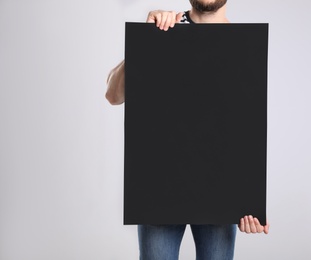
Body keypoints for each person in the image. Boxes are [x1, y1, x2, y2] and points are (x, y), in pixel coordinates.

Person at [106, 1, 270, 259]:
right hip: (160, 189)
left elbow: (245, 136)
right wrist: (146, 43)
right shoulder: (164, 28)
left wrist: (250, 205)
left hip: (220, 194)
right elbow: (112, 95)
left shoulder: (243, 48)